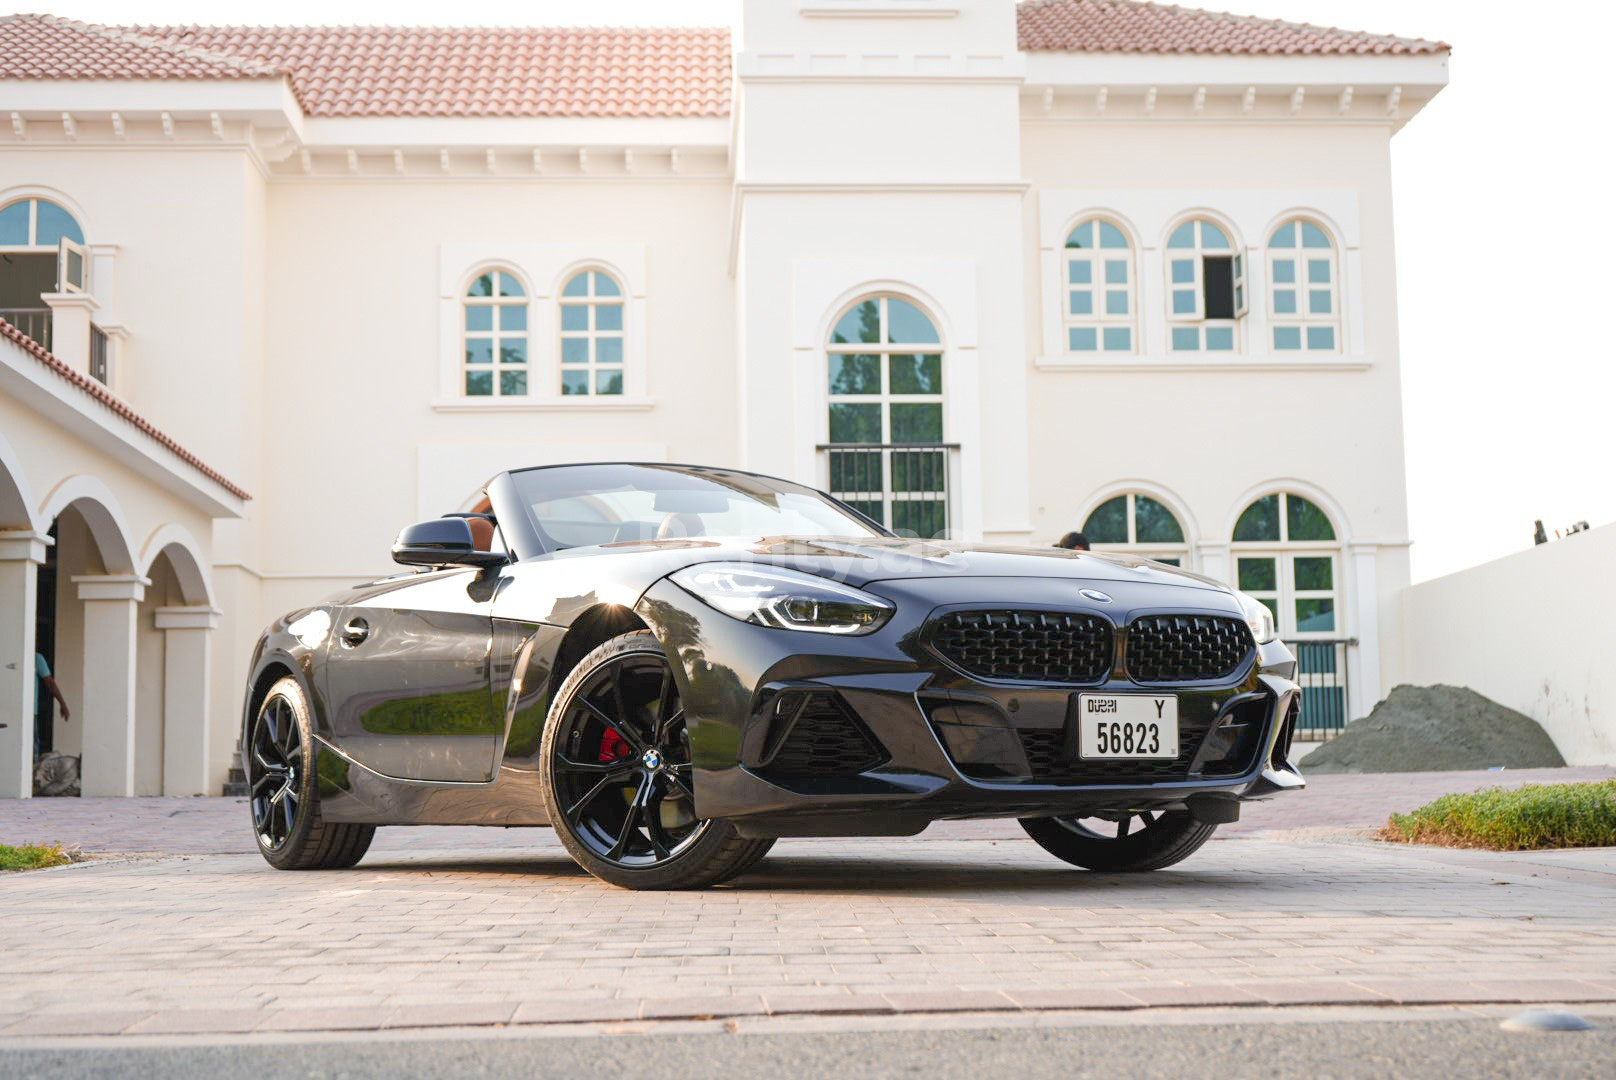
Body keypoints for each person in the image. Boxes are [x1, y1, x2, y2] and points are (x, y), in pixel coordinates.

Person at [34, 651, 70, 757]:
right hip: (17, 712)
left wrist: (62, 704)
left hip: (29, 712)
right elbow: (50, 683)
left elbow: (50, 683)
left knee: (31, 748)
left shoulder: (36, 658)